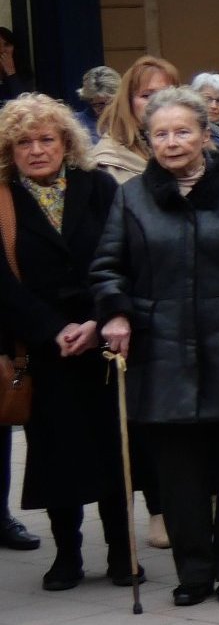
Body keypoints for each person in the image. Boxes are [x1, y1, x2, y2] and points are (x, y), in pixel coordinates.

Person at [92, 86, 219, 606]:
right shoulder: (131, 197)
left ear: (205, 134)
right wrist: (113, 310)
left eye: (183, 131)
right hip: (162, 355)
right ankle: (194, 571)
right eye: (161, 134)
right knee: (178, 477)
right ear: (148, 140)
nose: (172, 142)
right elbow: (108, 266)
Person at [0, 95, 138, 589]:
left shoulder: (97, 186)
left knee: (114, 451)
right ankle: (67, 555)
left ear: (65, 143)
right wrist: (52, 328)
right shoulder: (2, 202)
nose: (36, 150)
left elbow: (124, 254)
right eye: (24, 142)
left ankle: (123, 552)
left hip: (103, 341)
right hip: (44, 349)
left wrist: (98, 319)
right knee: (57, 456)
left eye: (46, 139)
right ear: (9, 150)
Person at [90, 55, 180, 183]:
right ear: (128, 102)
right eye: (146, 95)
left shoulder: (195, 149)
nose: (158, 101)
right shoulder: (107, 164)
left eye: (166, 94)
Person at [73, 67, 119, 140]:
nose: (107, 110)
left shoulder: (130, 119)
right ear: (89, 100)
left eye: (111, 103)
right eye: (100, 105)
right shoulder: (76, 123)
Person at [0, 28, 27, 102]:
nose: (2, 50)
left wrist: (11, 72)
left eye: (7, 45)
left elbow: (24, 102)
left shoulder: (24, 72)